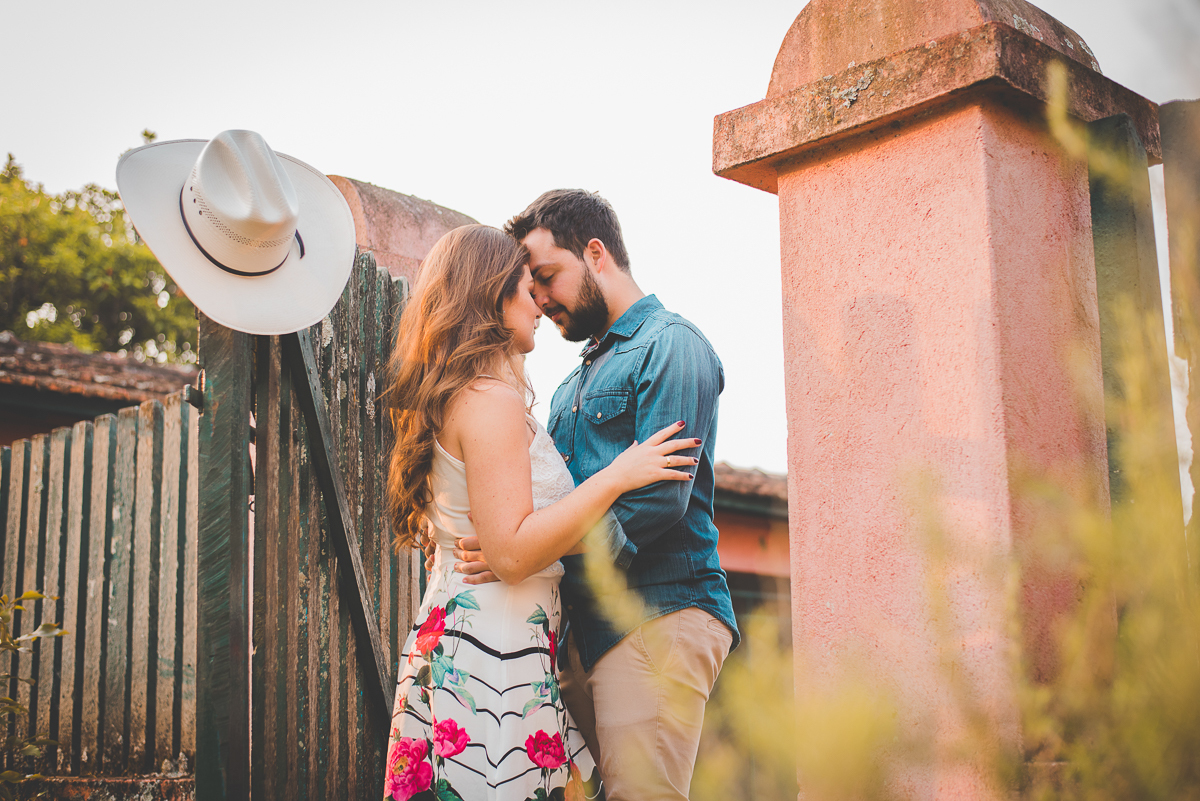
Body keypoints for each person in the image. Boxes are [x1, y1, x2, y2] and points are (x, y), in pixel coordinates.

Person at [382, 224, 699, 801]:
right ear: (492, 296)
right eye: (528, 289)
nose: (539, 305)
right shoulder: (491, 401)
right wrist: (618, 474)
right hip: (492, 652)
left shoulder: (471, 395)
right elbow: (509, 552)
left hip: (497, 640)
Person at [453, 190, 739, 801]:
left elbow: (658, 503)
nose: (539, 297)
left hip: (657, 612)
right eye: (530, 286)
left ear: (595, 251)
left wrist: (527, 552)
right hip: (582, 629)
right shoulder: (568, 388)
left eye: (548, 276)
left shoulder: (673, 345)